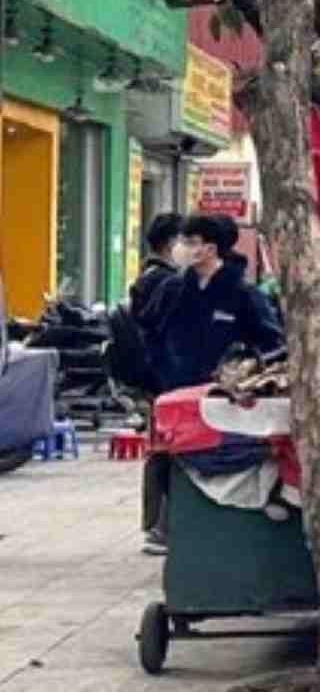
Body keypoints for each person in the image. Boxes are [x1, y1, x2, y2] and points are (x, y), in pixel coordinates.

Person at [138, 215, 285, 555]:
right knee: (168, 459)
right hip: (174, 395)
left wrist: (245, 374)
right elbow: (149, 332)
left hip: (222, 401)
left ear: (210, 248)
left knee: (217, 463)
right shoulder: (173, 290)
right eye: (183, 240)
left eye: (191, 241)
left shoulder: (243, 294)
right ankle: (165, 527)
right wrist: (158, 374)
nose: (182, 248)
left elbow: (272, 344)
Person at [130, 212, 183, 554]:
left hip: (155, 377)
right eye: (184, 240)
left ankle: (156, 524)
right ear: (170, 243)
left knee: (160, 449)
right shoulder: (162, 282)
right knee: (167, 451)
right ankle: (160, 528)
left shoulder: (148, 277)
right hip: (163, 377)